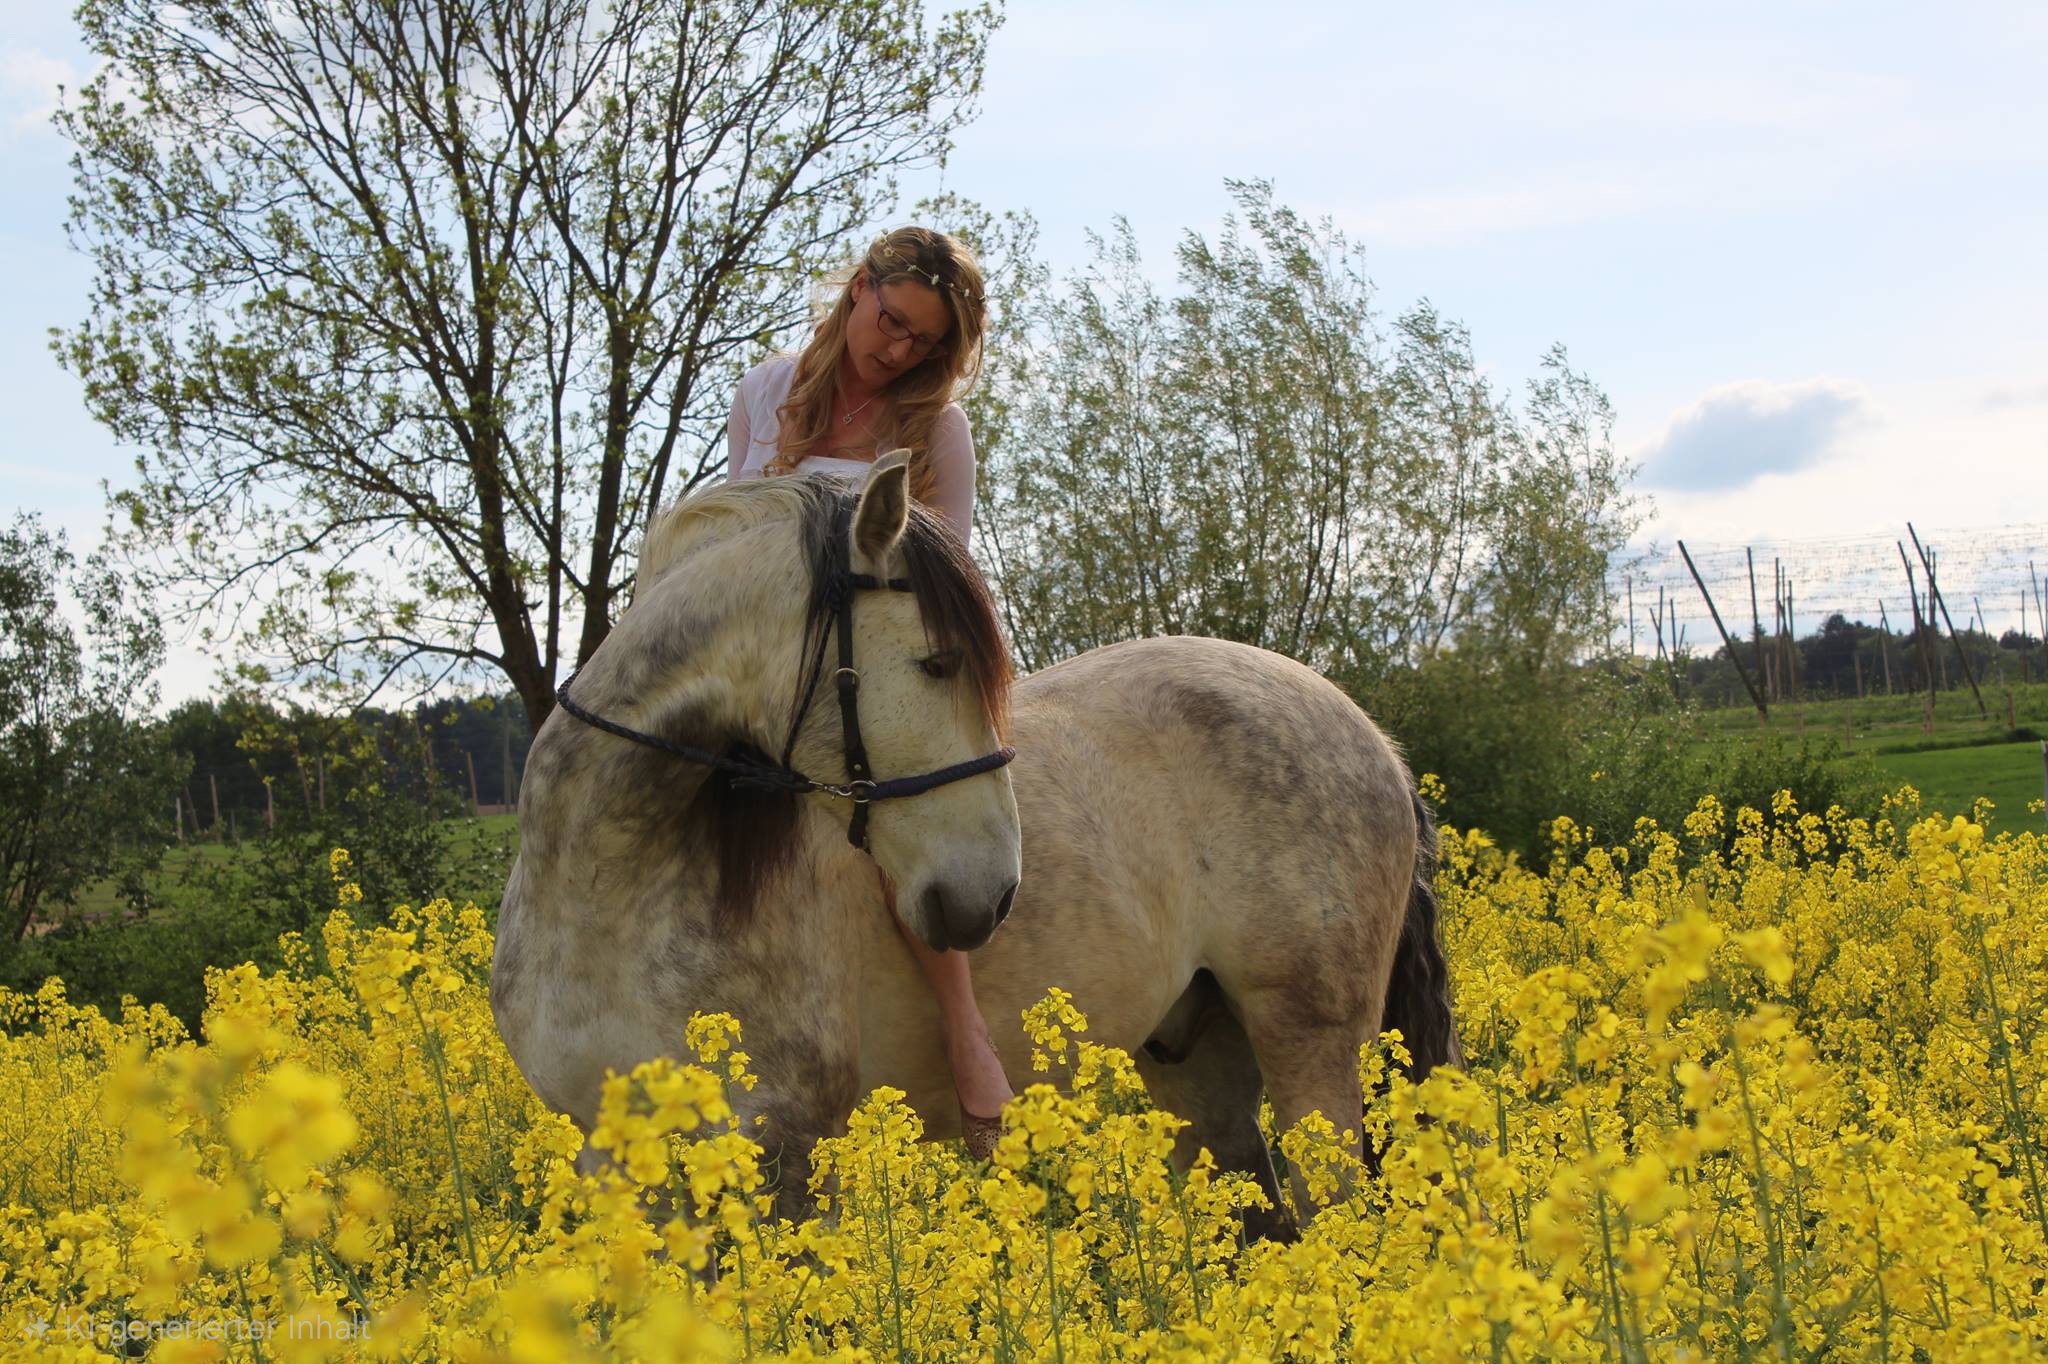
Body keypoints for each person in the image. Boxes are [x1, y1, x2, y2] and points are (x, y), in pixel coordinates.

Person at [726, 227, 1013, 1157]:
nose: (896, 349)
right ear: (857, 293)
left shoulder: (938, 430)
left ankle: (964, 1028)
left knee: (903, 809)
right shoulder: (767, 392)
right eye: (890, 322)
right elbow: (740, 543)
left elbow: (948, 585)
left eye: (922, 342)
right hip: (778, 657)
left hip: (884, 661)